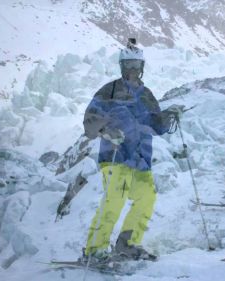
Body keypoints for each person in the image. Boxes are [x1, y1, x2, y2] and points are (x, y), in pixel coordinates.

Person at [82, 38, 182, 261]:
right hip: (115, 155)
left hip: (141, 159)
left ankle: (127, 243)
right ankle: (94, 250)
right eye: (129, 65)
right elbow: (90, 120)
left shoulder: (146, 95)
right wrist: (107, 132)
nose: (133, 70)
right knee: (114, 199)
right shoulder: (109, 90)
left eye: (137, 65)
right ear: (122, 66)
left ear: (142, 67)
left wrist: (168, 116)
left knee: (147, 198)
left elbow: (158, 126)